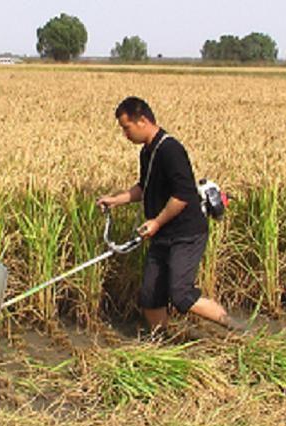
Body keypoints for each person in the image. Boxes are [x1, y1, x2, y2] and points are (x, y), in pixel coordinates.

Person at [97, 96, 242, 335]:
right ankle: (159, 343)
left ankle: (234, 326)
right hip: (163, 234)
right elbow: (144, 187)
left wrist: (156, 222)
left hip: (186, 234)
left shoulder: (171, 150)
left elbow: (182, 195)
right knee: (150, 295)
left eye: (126, 127)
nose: (125, 134)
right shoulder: (148, 152)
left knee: (181, 294)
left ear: (142, 120)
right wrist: (114, 200)